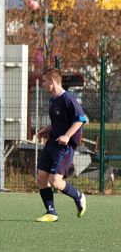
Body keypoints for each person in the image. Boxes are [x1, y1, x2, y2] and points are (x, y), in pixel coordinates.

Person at [34, 68, 87, 222]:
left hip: (65, 146)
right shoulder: (53, 100)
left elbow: (80, 119)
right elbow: (58, 123)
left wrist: (67, 135)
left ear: (52, 81)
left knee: (55, 181)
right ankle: (51, 212)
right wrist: (47, 129)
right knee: (41, 178)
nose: (43, 84)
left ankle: (79, 196)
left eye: (44, 81)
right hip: (53, 143)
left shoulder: (68, 99)